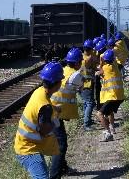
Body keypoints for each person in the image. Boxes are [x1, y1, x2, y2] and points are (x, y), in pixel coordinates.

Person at [14, 62, 64, 179]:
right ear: (57, 83)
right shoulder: (45, 106)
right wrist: (56, 121)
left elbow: (43, 107)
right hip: (27, 149)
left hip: (28, 144)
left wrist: (54, 108)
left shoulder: (39, 91)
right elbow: (44, 131)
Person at [50, 47, 84, 178]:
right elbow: (82, 86)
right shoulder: (76, 75)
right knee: (61, 145)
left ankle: (63, 168)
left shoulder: (65, 70)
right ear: (76, 63)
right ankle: (54, 175)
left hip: (54, 111)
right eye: (80, 61)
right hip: (54, 114)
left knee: (61, 141)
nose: (82, 63)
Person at [97, 48, 124, 141]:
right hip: (118, 96)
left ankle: (108, 133)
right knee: (109, 112)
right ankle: (112, 128)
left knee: (99, 114)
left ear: (104, 59)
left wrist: (100, 62)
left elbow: (98, 72)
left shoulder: (105, 68)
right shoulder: (115, 65)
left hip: (113, 96)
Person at [80, 39, 97, 130]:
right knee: (90, 103)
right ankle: (87, 124)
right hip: (87, 84)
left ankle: (87, 120)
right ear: (90, 49)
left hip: (82, 84)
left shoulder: (82, 57)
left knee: (86, 103)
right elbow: (93, 67)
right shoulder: (89, 59)